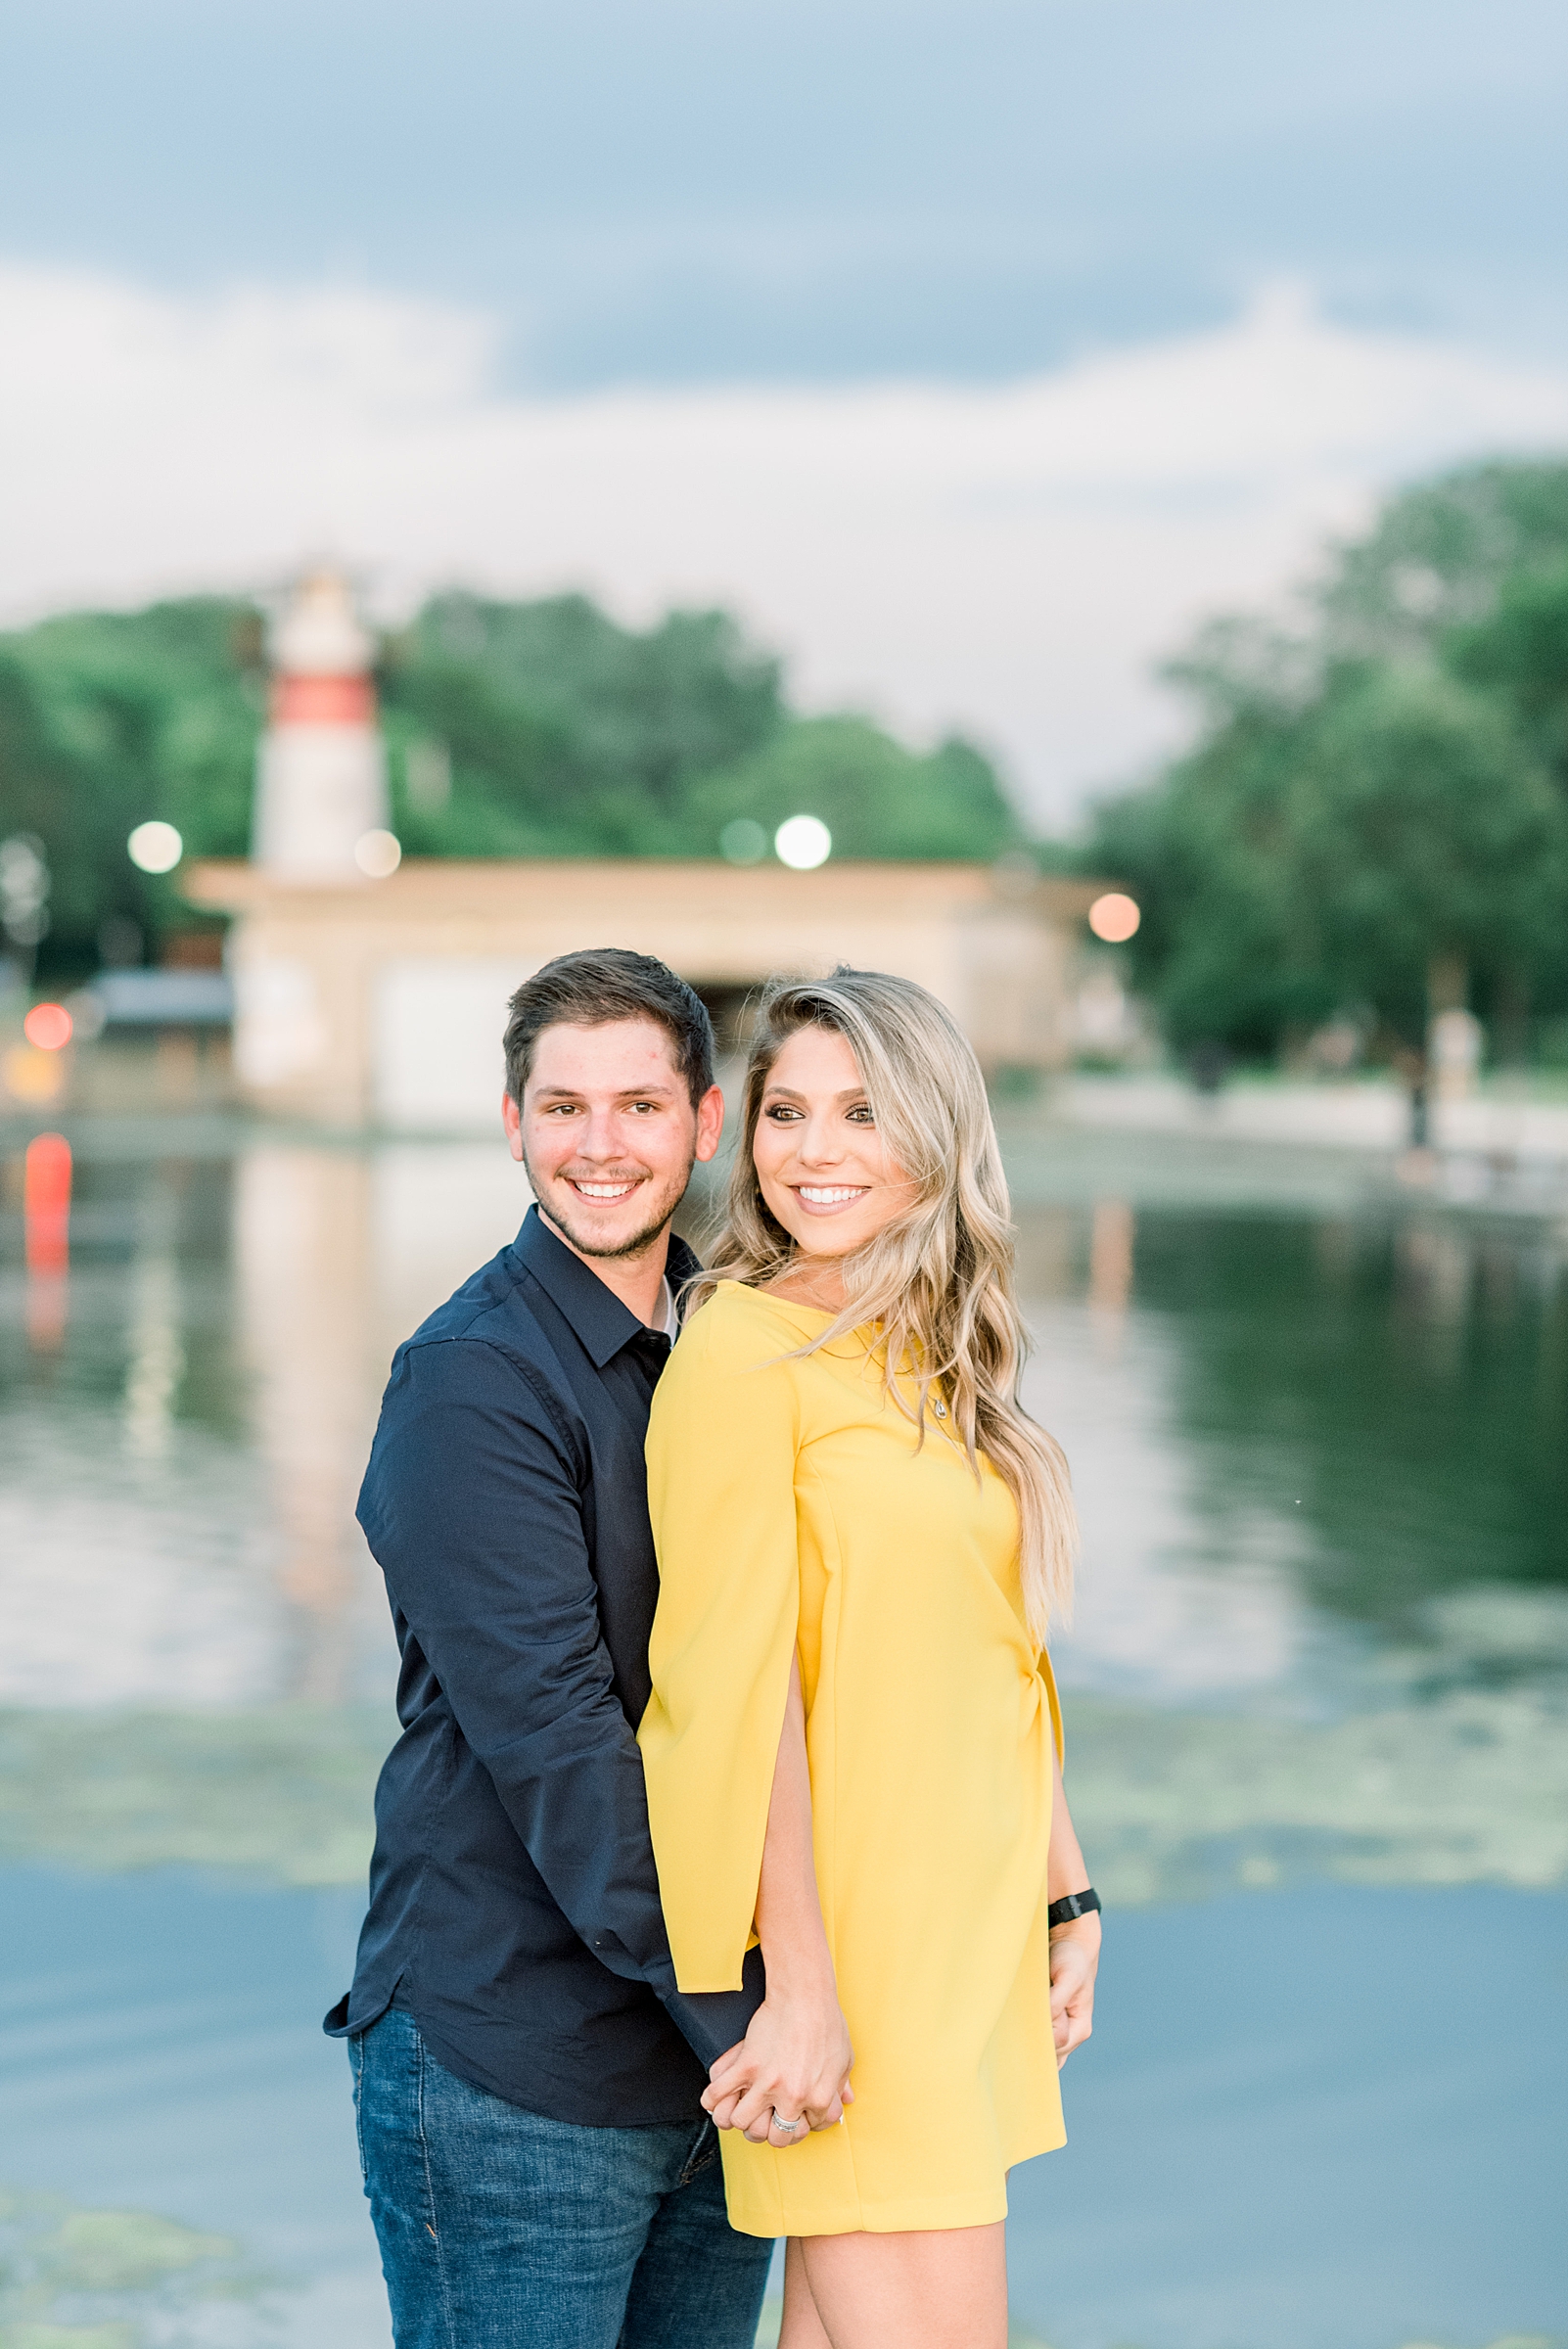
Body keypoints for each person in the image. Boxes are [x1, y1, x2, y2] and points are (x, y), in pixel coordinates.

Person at [638, 968, 1103, 2349]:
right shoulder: (737, 1353)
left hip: (964, 1932)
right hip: (855, 1955)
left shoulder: (935, 1359)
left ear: (936, 1135)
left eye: (858, 1113)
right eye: (785, 1113)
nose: (813, 1152)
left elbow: (989, 1653)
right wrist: (802, 1989)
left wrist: (1062, 1892)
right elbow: (738, 1692)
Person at [326, 948, 782, 2349]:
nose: (600, 1146)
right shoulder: (472, 1383)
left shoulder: (740, 1348)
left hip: (713, 2070)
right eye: (563, 1105)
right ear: (512, 1121)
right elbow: (566, 1753)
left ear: (704, 1124)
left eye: (639, 1107)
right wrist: (769, 2022)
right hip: (515, 2073)